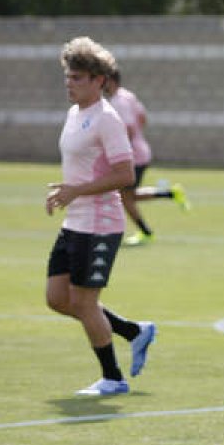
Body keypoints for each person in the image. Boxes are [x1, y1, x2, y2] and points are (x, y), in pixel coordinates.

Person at [45, 37, 156, 396]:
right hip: (74, 221)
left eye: (77, 77)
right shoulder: (75, 114)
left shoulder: (108, 119)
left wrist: (76, 191)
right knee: (57, 299)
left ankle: (112, 378)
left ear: (98, 80)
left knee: (83, 303)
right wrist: (64, 191)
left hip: (100, 224)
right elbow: (81, 167)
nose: (69, 83)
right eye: (67, 77)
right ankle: (133, 331)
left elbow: (125, 176)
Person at [103, 68, 191, 247]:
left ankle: (146, 232)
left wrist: (117, 150)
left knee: (125, 197)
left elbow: (127, 128)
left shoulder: (118, 102)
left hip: (132, 157)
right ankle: (169, 193)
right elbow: (142, 118)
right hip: (140, 152)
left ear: (110, 81)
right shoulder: (127, 96)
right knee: (128, 195)